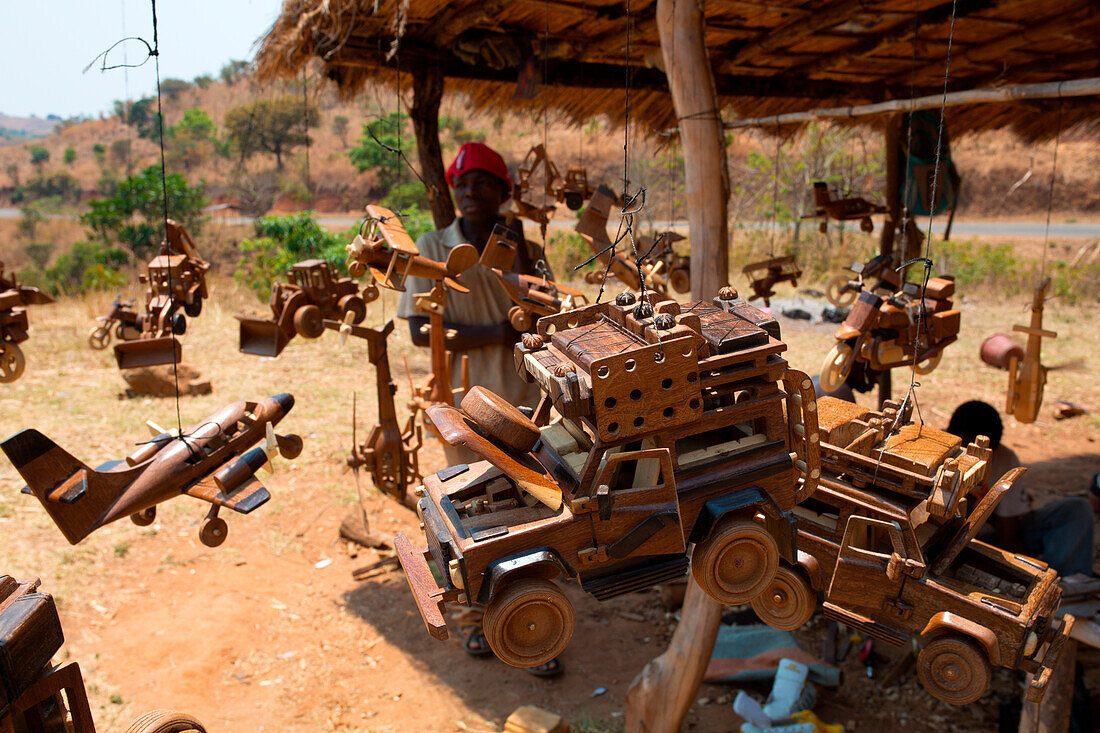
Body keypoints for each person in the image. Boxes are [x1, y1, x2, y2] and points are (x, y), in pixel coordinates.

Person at [396, 142, 562, 676]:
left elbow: (550, 314)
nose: (470, 194)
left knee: (532, 507)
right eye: (462, 186)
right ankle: (475, 619)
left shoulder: (525, 246)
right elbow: (421, 330)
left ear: (502, 192)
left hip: (523, 398)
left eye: (482, 185)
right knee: (467, 511)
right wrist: (498, 330)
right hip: (462, 400)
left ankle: (537, 623)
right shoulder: (431, 247)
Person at [946, 400, 1095, 578]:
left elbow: (1009, 535)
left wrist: (1030, 575)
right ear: (955, 436)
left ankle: (1067, 585)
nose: (980, 457)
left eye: (988, 450)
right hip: (948, 545)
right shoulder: (937, 453)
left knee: (1076, 509)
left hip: (990, 543)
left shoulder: (1005, 459)